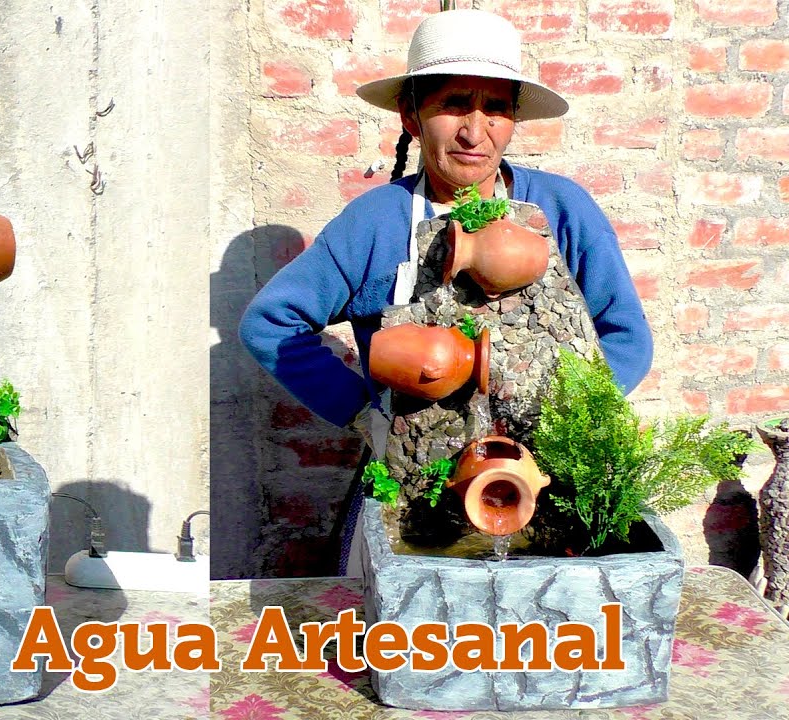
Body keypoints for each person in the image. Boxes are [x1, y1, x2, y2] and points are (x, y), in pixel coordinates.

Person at [238, 9, 652, 575]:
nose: (474, 132)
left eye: (497, 109)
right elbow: (271, 323)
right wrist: (364, 413)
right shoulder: (379, 223)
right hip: (416, 491)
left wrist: (572, 424)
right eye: (454, 104)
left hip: (541, 482)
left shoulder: (562, 209)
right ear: (412, 116)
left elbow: (626, 336)